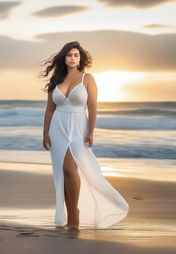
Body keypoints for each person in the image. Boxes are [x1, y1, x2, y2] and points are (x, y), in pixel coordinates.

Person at [41, 41, 129, 230]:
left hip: (78, 127)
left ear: (80, 58)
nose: (73, 58)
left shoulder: (87, 79)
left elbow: (92, 107)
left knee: (71, 170)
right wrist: (45, 134)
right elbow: (49, 110)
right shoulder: (55, 81)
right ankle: (71, 212)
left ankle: (74, 213)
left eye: (76, 55)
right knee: (63, 172)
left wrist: (90, 131)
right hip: (57, 127)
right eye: (69, 55)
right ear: (63, 58)